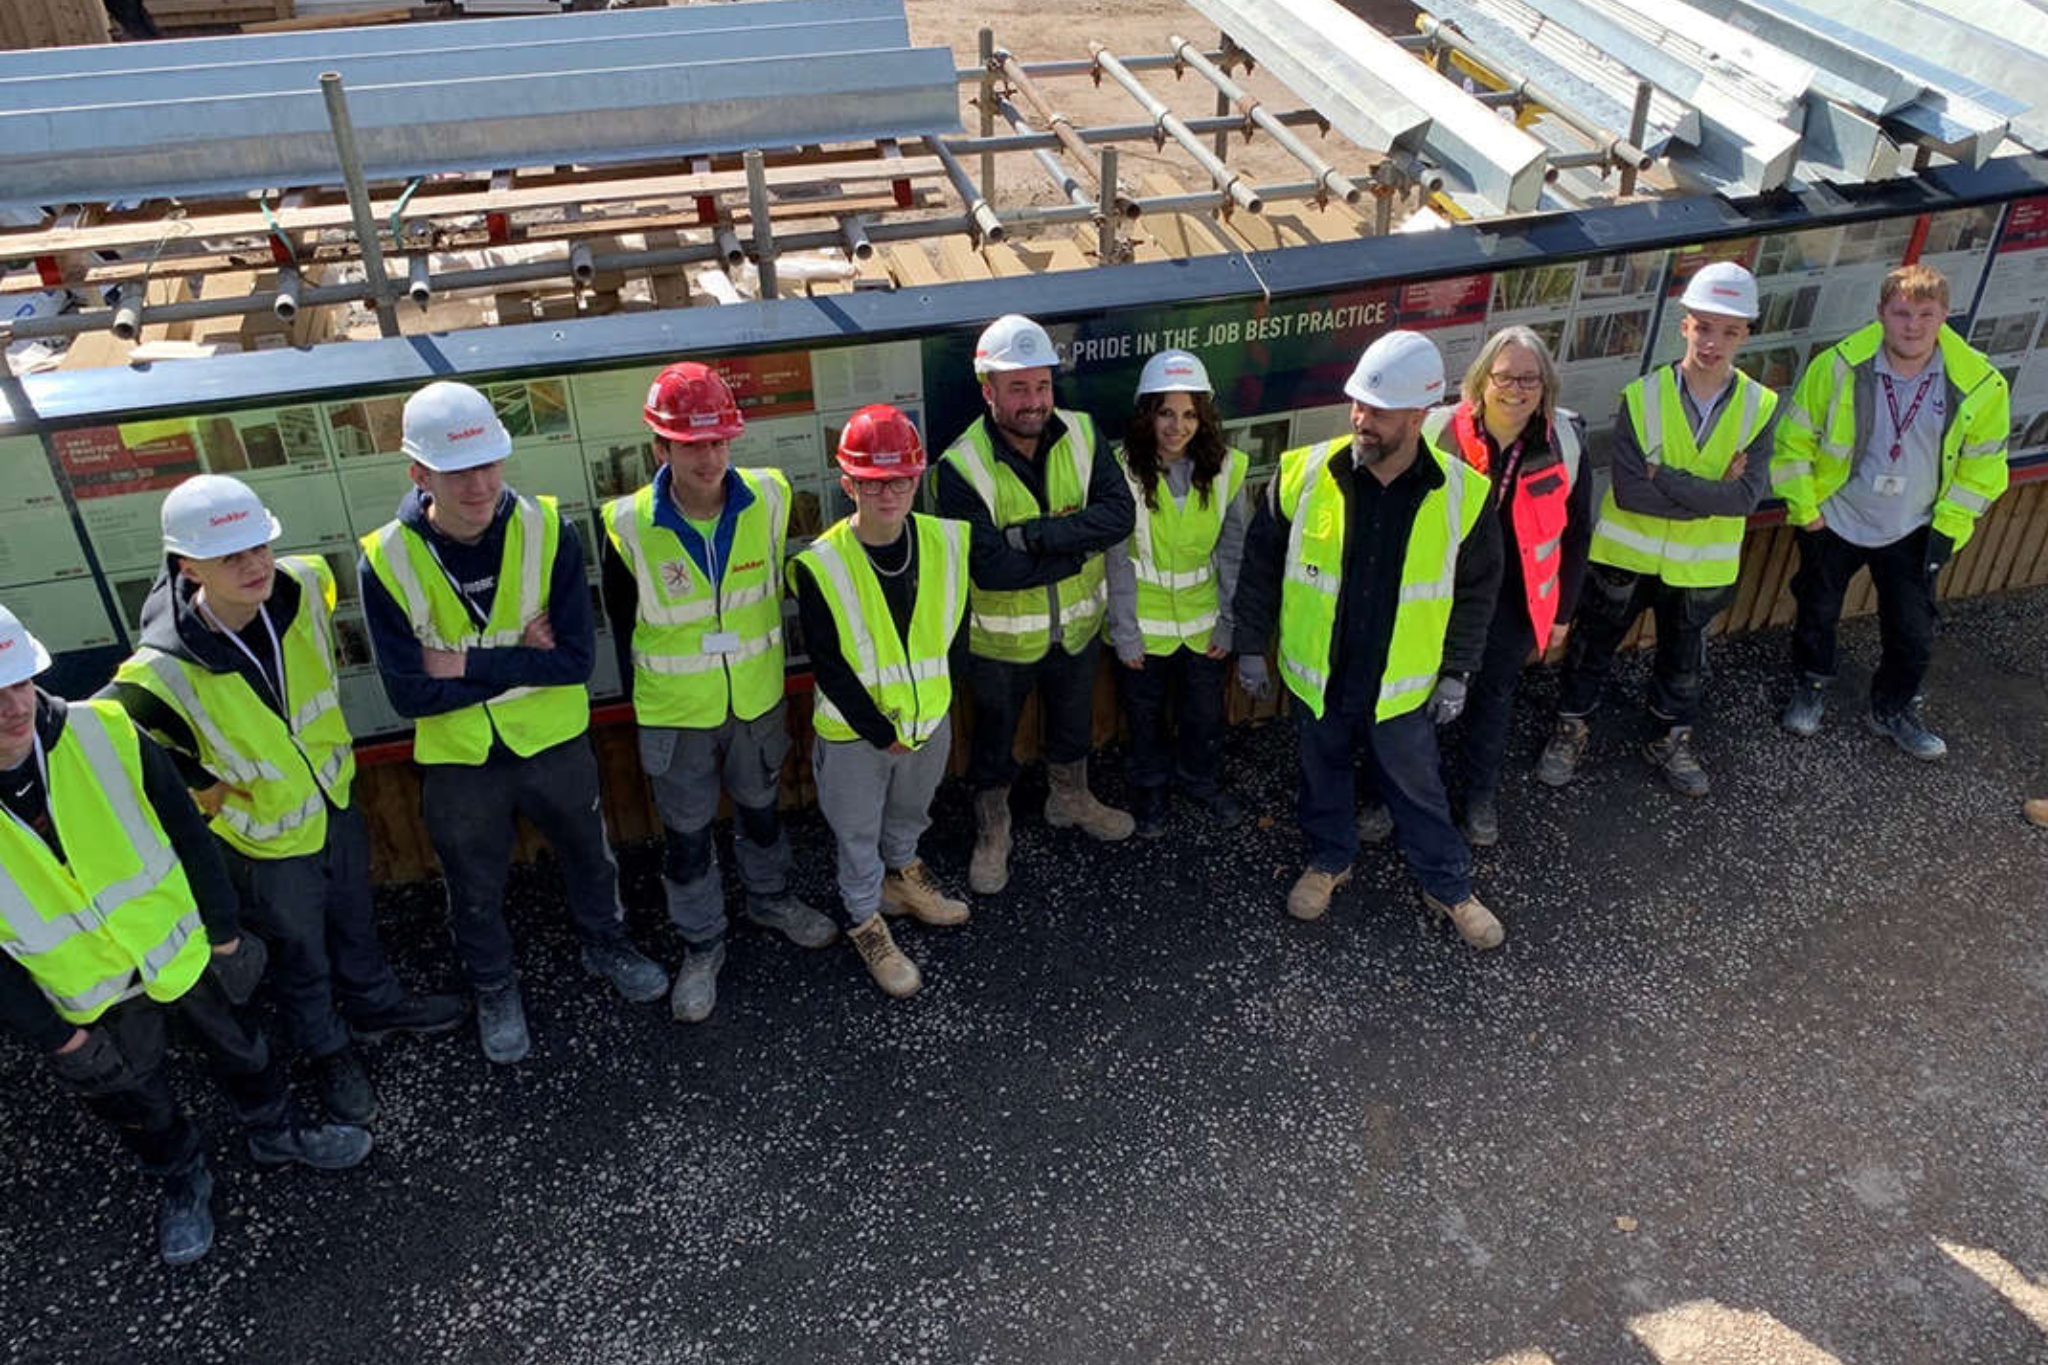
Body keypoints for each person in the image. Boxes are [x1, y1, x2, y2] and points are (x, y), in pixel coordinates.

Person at [0, 605, 370, 1267]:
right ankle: (181, 1180)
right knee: (132, 1096)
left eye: (18, 680)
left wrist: (225, 934)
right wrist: (55, 1035)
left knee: (243, 1046)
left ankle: (275, 1131)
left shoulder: (104, 731)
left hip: (183, 948)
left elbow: (190, 835)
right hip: (92, 994)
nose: (11, 705)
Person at [103, 475, 463, 1124]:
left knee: (355, 915)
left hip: (334, 800)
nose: (254, 565)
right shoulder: (157, 670)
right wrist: (200, 786)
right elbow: (117, 740)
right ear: (188, 568)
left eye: (259, 546)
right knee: (300, 950)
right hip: (264, 839)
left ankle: (376, 1004)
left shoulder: (303, 583)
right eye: (230, 557)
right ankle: (328, 1047)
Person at [360, 381, 667, 1065]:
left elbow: (574, 663)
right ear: (419, 473)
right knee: (472, 883)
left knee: (592, 855)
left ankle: (607, 944)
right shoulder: (385, 558)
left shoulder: (547, 528)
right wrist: (521, 656)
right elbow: (409, 693)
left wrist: (460, 660)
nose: (479, 485)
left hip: (554, 742)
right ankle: (494, 986)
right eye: (458, 470)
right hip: (461, 759)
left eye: (490, 464)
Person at [1232, 330, 1507, 948]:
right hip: (1320, 674)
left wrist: (1458, 670)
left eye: (1378, 411)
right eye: (1357, 404)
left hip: (1401, 685)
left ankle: (1450, 886)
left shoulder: (1463, 495)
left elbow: (1477, 591)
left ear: (1418, 414)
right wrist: (1251, 643)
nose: (1362, 420)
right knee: (1322, 772)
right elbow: (1260, 562)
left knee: (1418, 788)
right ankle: (1329, 860)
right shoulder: (1303, 473)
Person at [599, 361, 834, 1024]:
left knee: (763, 812)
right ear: (660, 447)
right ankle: (702, 942)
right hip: (677, 716)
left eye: (719, 441)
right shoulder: (626, 524)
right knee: (687, 838)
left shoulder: (769, 495)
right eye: (692, 443)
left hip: (754, 702)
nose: (709, 457)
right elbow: (624, 624)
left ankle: (770, 898)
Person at [1537, 261, 1780, 798]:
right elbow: (1630, 492)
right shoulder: (1641, 395)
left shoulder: (1760, 407)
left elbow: (1743, 499)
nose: (1713, 343)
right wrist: (1709, 495)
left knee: (1684, 657)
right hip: (1626, 557)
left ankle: (1670, 737)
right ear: (1685, 324)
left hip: (1700, 568)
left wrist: (1665, 476)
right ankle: (1570, 727)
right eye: (1704, 327)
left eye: (1730, 331)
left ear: (1746, 335)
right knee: (1592, 646)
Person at [1771, 262, 2012, 758]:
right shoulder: (1838, 366)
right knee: (1816, 613)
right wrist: (1808, 512)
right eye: (1902, 313)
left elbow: (1984, 468)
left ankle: (1893, 709)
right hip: (1836, 516)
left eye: (1926, 313)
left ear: (1946, 314)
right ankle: (1810, 689)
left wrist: (1947, 531)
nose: (1913, 325)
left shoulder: (1982, 385)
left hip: (1915, 526)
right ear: (1881, 312)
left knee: (1913, 631)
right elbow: (1792, 441)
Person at [935, 313, 1137, 895]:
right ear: (988, 390)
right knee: (994, 741)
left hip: (1075, 629)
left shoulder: (1084, 433)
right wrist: (1076, 541)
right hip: (1000, 644)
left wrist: (1037, 536)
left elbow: (1118, 516)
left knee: (1073, 724)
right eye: (1018, 387)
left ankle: (1070, 798)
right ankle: (993, 828)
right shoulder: (960, 466)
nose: (1034, 400)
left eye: (1042, 385)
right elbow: (990, 567)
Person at [789, 405, 972, 998]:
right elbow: (828, 661)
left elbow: (955, 631)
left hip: (928, 722)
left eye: (901, 479)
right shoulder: (821, 564)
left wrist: (942, 703)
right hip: (856, 736)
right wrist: (877, 729)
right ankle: (866, 919)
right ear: (849, 484)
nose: (889, 492)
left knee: (910, 816)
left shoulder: (945, 541)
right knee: (857, 833)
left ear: (917, 478)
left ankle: (904, 882)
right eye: (872, 481)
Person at [1428, 327, 1591, 846]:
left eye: (1530, 378)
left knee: (1492, 701)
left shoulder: (1564, 439)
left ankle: (1478, 797)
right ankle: (1396, 796)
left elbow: (1578, 532)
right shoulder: (1439, 431)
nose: (1517, 389)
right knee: (1415, 701)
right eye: (1505, 377)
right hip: (1439, 598)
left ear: (1545, 385)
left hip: (1516, 605)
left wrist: (1563, 614)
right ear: (1481, 380)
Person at [1104, 350, 1251, 839]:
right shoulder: (1121, 471)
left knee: (1204, 717)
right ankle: (1150, 790)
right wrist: (1124, 633)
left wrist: (1229, 624)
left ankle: (1199, 781)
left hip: (1204, 626)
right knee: (1143, 721)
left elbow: (1233, 554)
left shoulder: (1227, 468)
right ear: (1147, 413)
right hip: (1142, 629)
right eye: (1166, 412)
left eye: (1190, 414)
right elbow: (1115, 559)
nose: (1178, 426)